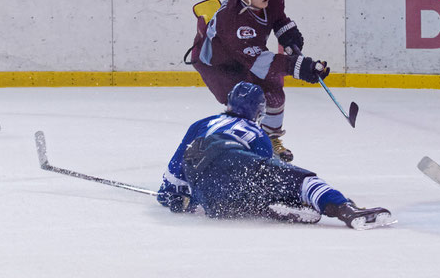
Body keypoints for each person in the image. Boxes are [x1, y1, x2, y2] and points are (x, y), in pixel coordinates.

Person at [156, 81, 395, 230]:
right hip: (231, 159)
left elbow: (176, 171)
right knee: (301, 181)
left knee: (239, 195)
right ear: (258, 111)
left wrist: (173, 197)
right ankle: (345, 209)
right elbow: (261, 170)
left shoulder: (203, 123)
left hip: (209, 195)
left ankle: (265, 207)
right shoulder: (257, 133)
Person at [189, 0, 329, 162]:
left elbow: (278, 18)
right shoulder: (233, 21)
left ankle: (270, 140)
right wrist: (301, 67)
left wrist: (289, 37)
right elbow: (261, 63)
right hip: (218, 65)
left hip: (246, 55)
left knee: (275, 94)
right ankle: (239, 146)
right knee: (245, 101)